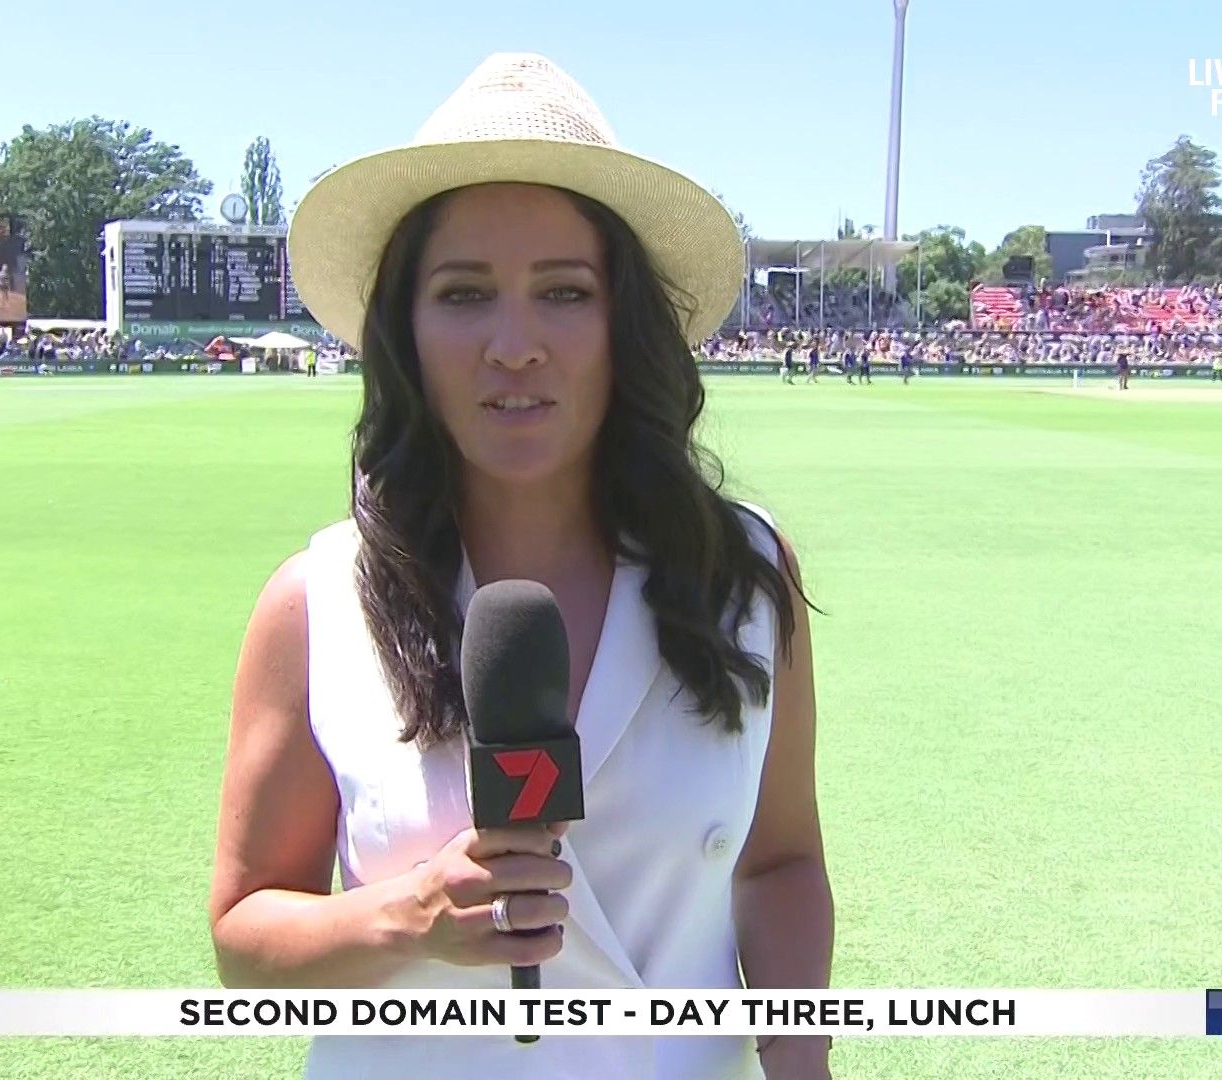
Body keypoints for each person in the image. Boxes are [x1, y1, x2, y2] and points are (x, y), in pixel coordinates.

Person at [210, 53, 831, 1080]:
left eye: (563, 292)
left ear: (624, 323)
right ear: (405, 330)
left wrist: (801, 1064)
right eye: (463, 293)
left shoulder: (744, 577)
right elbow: (244, 937)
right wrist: (408, 916)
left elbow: (781, 864)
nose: (514, 343)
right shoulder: (314, 606)